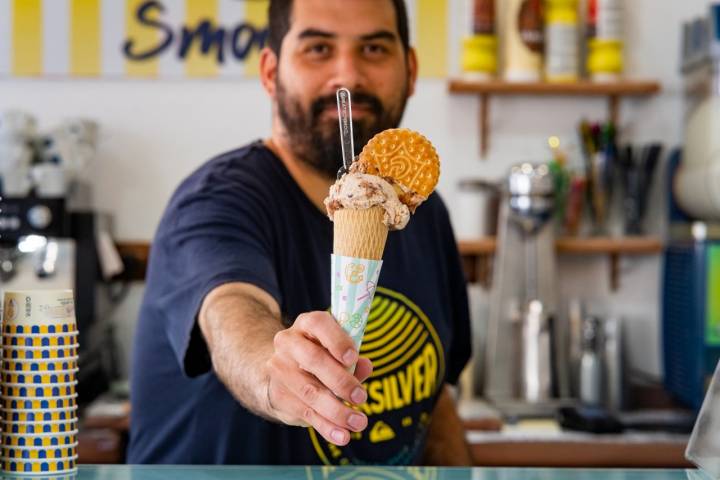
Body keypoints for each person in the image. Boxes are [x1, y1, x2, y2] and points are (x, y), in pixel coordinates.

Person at [128, 0, 472, 466]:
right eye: (317, 48)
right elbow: (231, 309)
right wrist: (273, 370)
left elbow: (435, 402)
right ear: (270, 72)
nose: (347, 75)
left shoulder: (422, 214)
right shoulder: (215, 202)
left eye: (374, 48)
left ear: (410, 70)